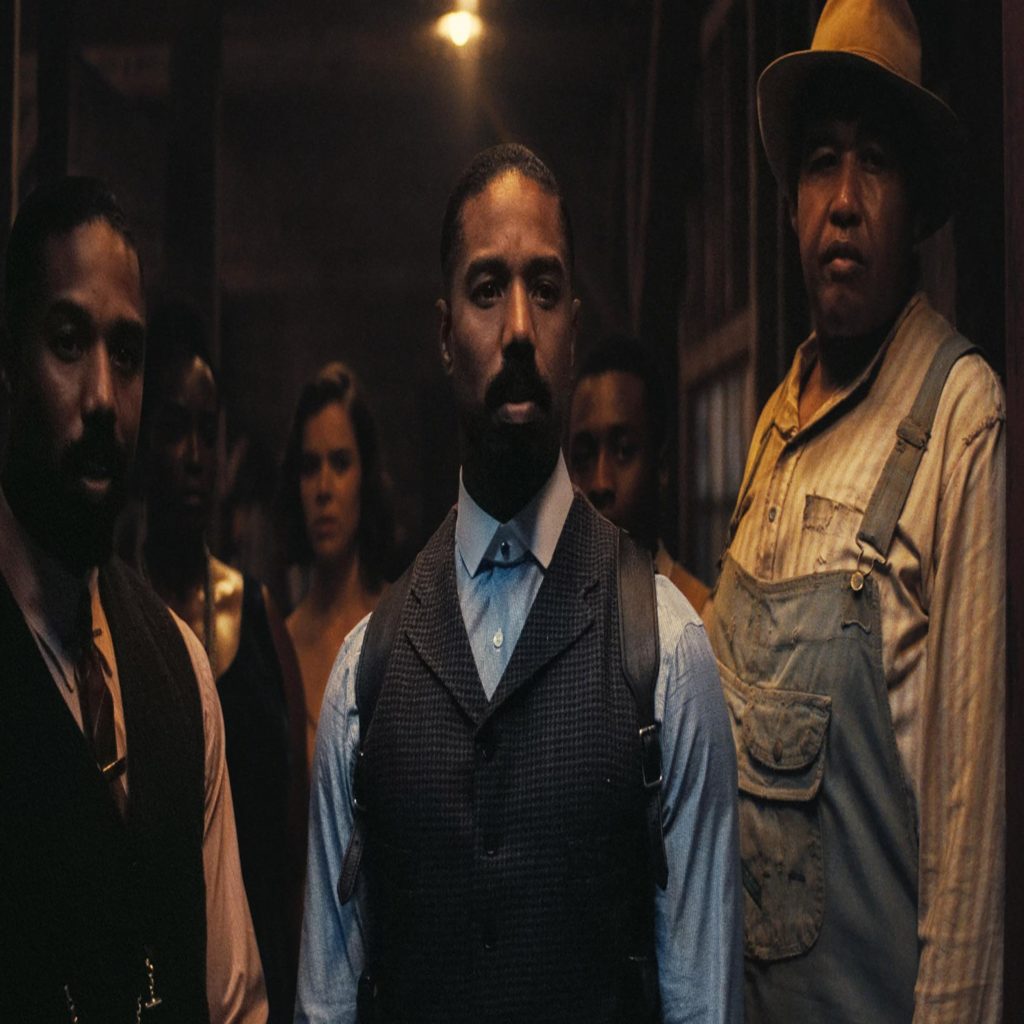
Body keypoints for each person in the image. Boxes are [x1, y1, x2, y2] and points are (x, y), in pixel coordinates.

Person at [296, 144, 742, 1023]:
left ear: (573, 325)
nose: (518, 331)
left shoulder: (666, 655)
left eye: (543, 288)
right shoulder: (364, 676)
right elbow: (326, 1005)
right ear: (443, 334)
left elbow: (704, 1005)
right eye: (486, 289)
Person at [702, 1, 1005, 1020]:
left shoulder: (958, 417)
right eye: (820, 162)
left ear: (913, 205)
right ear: (789, 202)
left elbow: (968, 856)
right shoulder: (775, 422)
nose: (842, 202)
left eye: (874, 162)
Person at [0, 177, 266, 1020]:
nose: (103, 400)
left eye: (126, 353)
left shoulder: (180, 670)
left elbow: (235, 1003)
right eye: (67, 343)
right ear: (8, 365)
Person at [137, 302, 307, 1023]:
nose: (195, 456)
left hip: (264, 973)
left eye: (208, 432)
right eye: (175, 429)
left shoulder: (257, 615)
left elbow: (296, 843)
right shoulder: (113, 619)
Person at [278, 361, 393, 775]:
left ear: (365, 476)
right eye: (310, 467)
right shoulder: (280, 645)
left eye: (340, 463)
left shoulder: (400, 627)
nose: (324, 489)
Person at [568, 336, 710, 612]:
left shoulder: (701, 616)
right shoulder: (553, 611)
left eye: (623, 451)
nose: (600, 483)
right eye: (583, 457)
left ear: (661, 466)